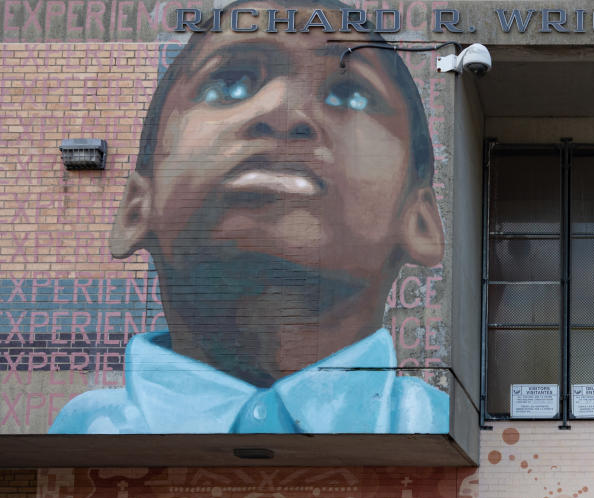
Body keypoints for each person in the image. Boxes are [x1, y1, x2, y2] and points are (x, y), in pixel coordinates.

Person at [51, 0, 449, 434]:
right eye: (230, 84)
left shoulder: (442, 422)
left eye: (349, 93)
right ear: (134, 209)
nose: (282, 113)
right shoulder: (77, 428)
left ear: (421, 222)